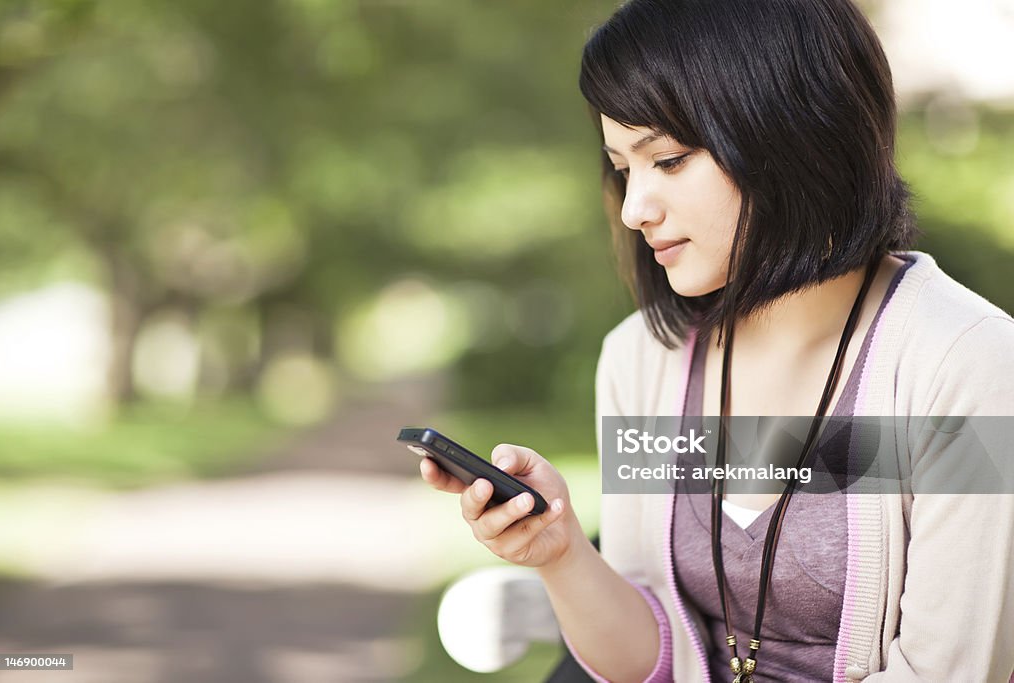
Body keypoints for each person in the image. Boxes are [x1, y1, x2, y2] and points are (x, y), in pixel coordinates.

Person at [421, 0, 1014, 680]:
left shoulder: (970, 366)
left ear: (794, 136)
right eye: (623, 169)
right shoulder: (642, 360)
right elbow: (655, 652)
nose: (636, 207)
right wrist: (560, 551)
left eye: (667, 160)